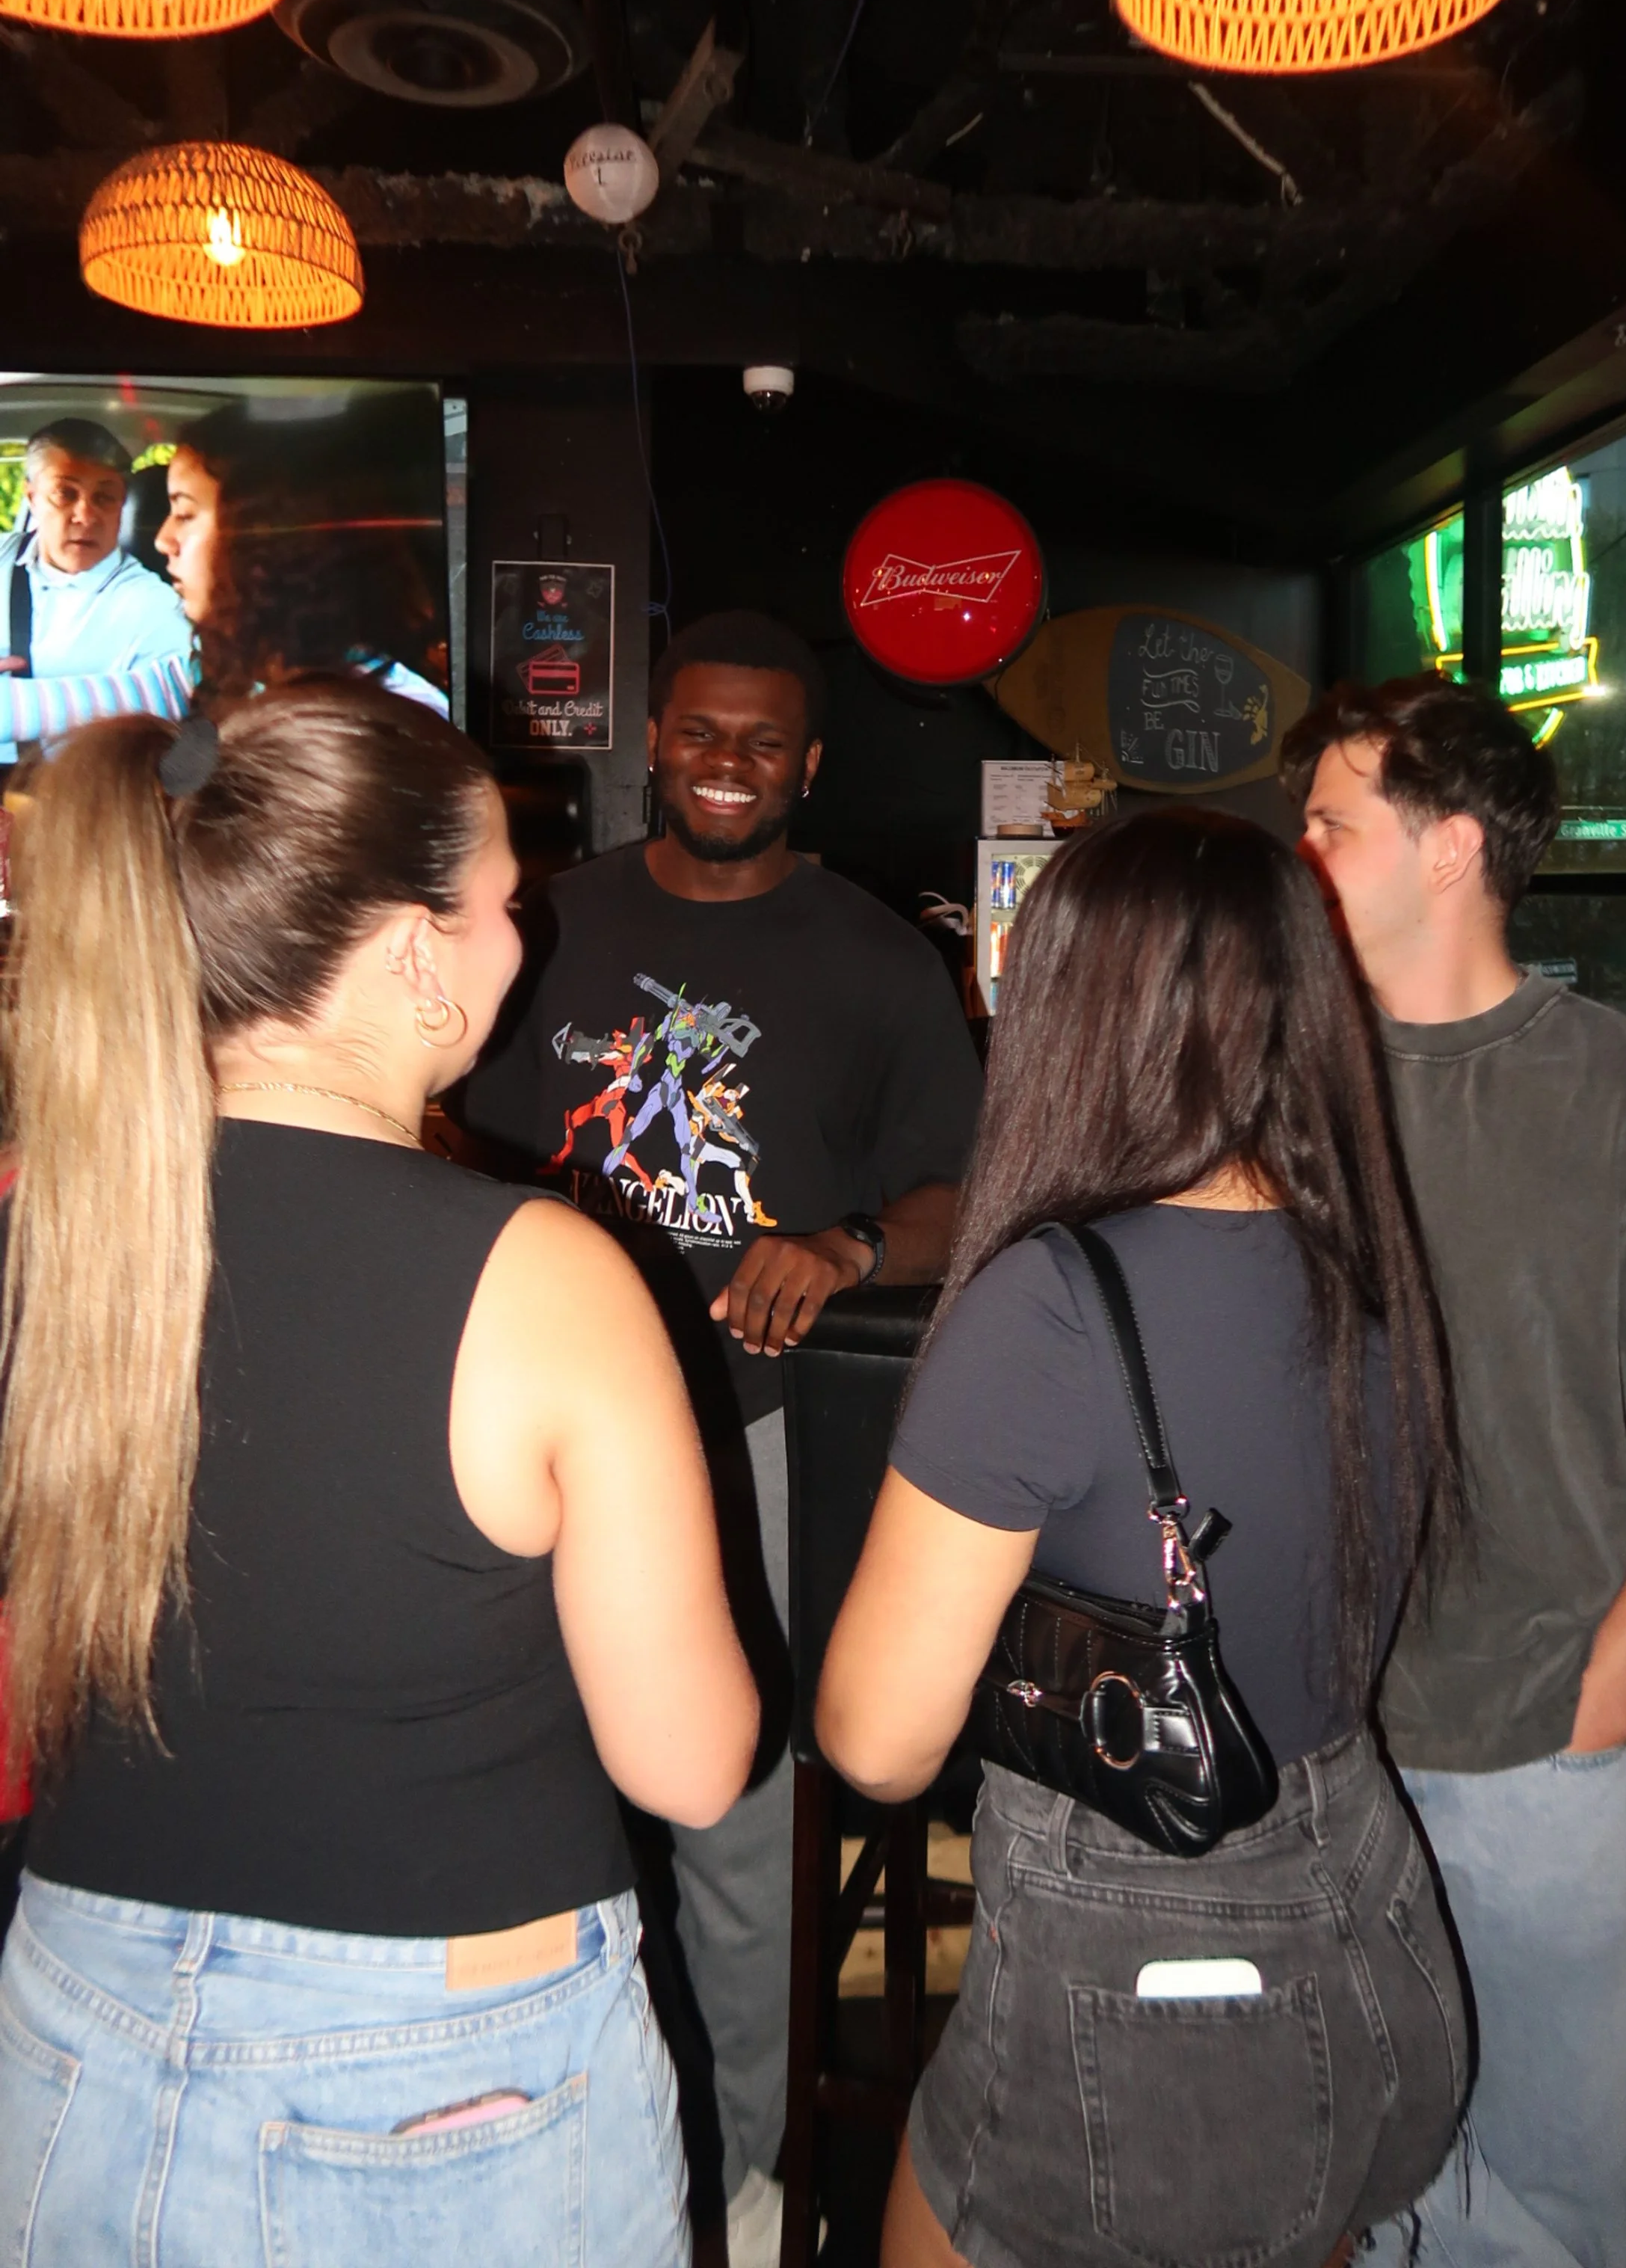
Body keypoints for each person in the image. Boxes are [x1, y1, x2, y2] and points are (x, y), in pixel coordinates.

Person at [0, 680, 758, 2261]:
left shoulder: (49, 1234)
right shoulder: (548, 1278)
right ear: (415, 950)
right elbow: (689, 1766)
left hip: (69, 2007)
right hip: (444, 2072)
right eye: (498, 905)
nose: (517, 940)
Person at [817, 806, 1469, 2268]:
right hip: (1362, 1901)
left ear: (1070, 1011)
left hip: (1156, 1966)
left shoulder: (1049, 1305)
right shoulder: (1361, 1263)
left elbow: (875, 1740)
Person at [461, 608, 983, 2267]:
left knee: (737, 1826)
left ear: (809, 763)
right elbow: (441, 1142)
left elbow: (959, 1198)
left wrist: (837, 1247)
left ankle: (745, 2190)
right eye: (701, 735)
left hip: (746, 1436)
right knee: (508, 1783)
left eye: (765, 742)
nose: (731, 767)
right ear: (655, 744)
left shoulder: (878, 961)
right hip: (522, 1429)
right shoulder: (545, 928)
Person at [1284, 674, 1626, 2268]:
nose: (1294, 852)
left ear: (1445, 851)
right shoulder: (1284, 1085)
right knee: (1360, 2165)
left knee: (1546, 2201)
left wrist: (1611, 1692)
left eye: (1329, 824)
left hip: (1549, 1742)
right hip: (1316, 1733)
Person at [157, 403, 449, 712]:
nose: (163, 540)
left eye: (185, 514)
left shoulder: (397, 718)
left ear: (266, 533)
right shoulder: (225, 663)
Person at [0, 418, 192, 759]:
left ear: (122, 506)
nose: (85, 515)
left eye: (104, 498)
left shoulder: (153, 607)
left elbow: (180, 704)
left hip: (69, 799)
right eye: (65, 494)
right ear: (32, 498)